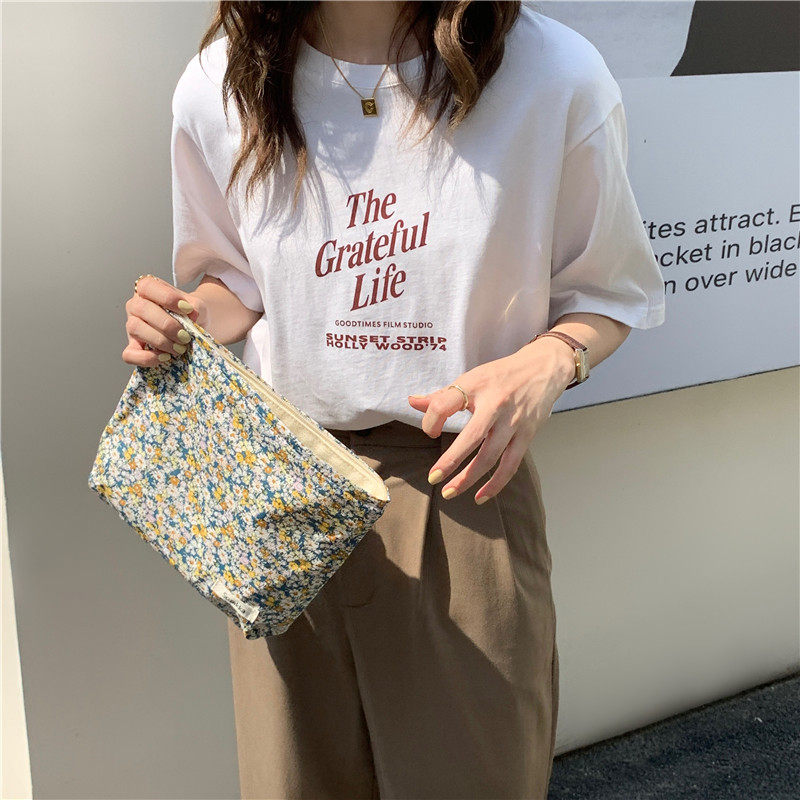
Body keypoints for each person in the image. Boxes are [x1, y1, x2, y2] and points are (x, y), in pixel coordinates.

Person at [122, 1, 666, 797]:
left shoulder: (551, 75)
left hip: (460, 488)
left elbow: (610, 290)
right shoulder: (225, 81)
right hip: (280, 487)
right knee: (292, 781)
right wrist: (189, 318)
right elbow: (236, 281)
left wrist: (550, 361)